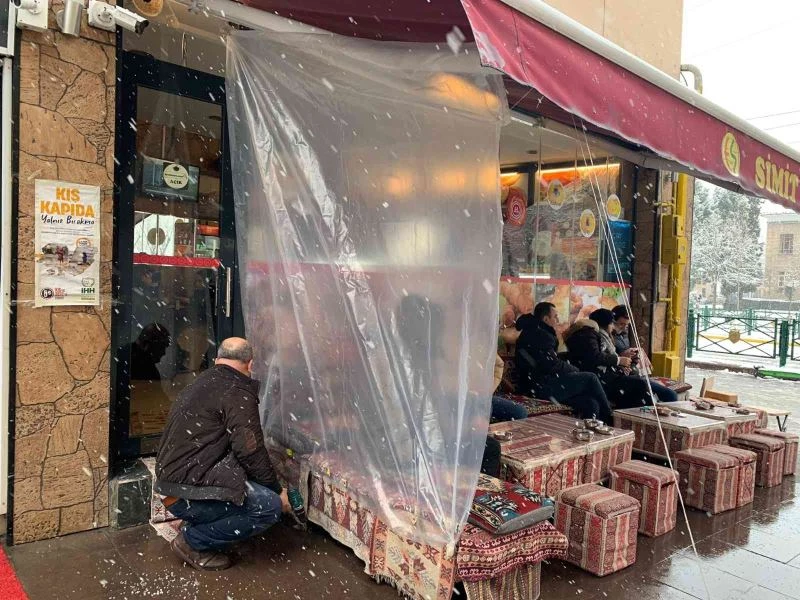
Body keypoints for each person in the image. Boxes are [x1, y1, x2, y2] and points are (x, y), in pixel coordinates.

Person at [155, 337, 290, 571]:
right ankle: (192, 541)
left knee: (249, 488)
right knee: (269, 507)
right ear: (251, 365)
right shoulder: (237, 391)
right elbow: (250, 451)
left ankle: (201, 522)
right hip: (185, 495)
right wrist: (278, 492)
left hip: (172, 486)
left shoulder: (201, 383)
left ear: (218, 359)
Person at [514, 302, 613, 424]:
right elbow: (551, 365)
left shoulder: (536, 331)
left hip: (540, 382)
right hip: (538, 386)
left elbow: (548, 359)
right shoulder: (540, 335)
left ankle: (589, 433)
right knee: (590, 378)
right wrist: (574, 369)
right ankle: (610, 418)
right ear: (546, 319)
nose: (558, 319)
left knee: (591, 404)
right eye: (555, 316)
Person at [564, 309, 653, 410]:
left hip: (606, 375)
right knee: (640, 384)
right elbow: (596, 357)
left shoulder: (591, 334)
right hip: (602, 378)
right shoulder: (591, 335)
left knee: (640, 384)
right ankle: (646, 414)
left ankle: (635, 414)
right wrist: (619, 360)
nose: (614, 327)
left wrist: (621, 363)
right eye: (613, 323)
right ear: (608, 324)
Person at [611, 305, 678, 403]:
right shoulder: (609, 338)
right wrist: (621, 357)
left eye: (627, 325)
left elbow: (627, 357)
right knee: (662, 396)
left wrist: (634, 357)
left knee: (671, 394)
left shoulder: (624, 335)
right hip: (624, 376)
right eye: (621, 324)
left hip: (633, 372)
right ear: (612, 322)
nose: (624, 327)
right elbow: (611, 358)